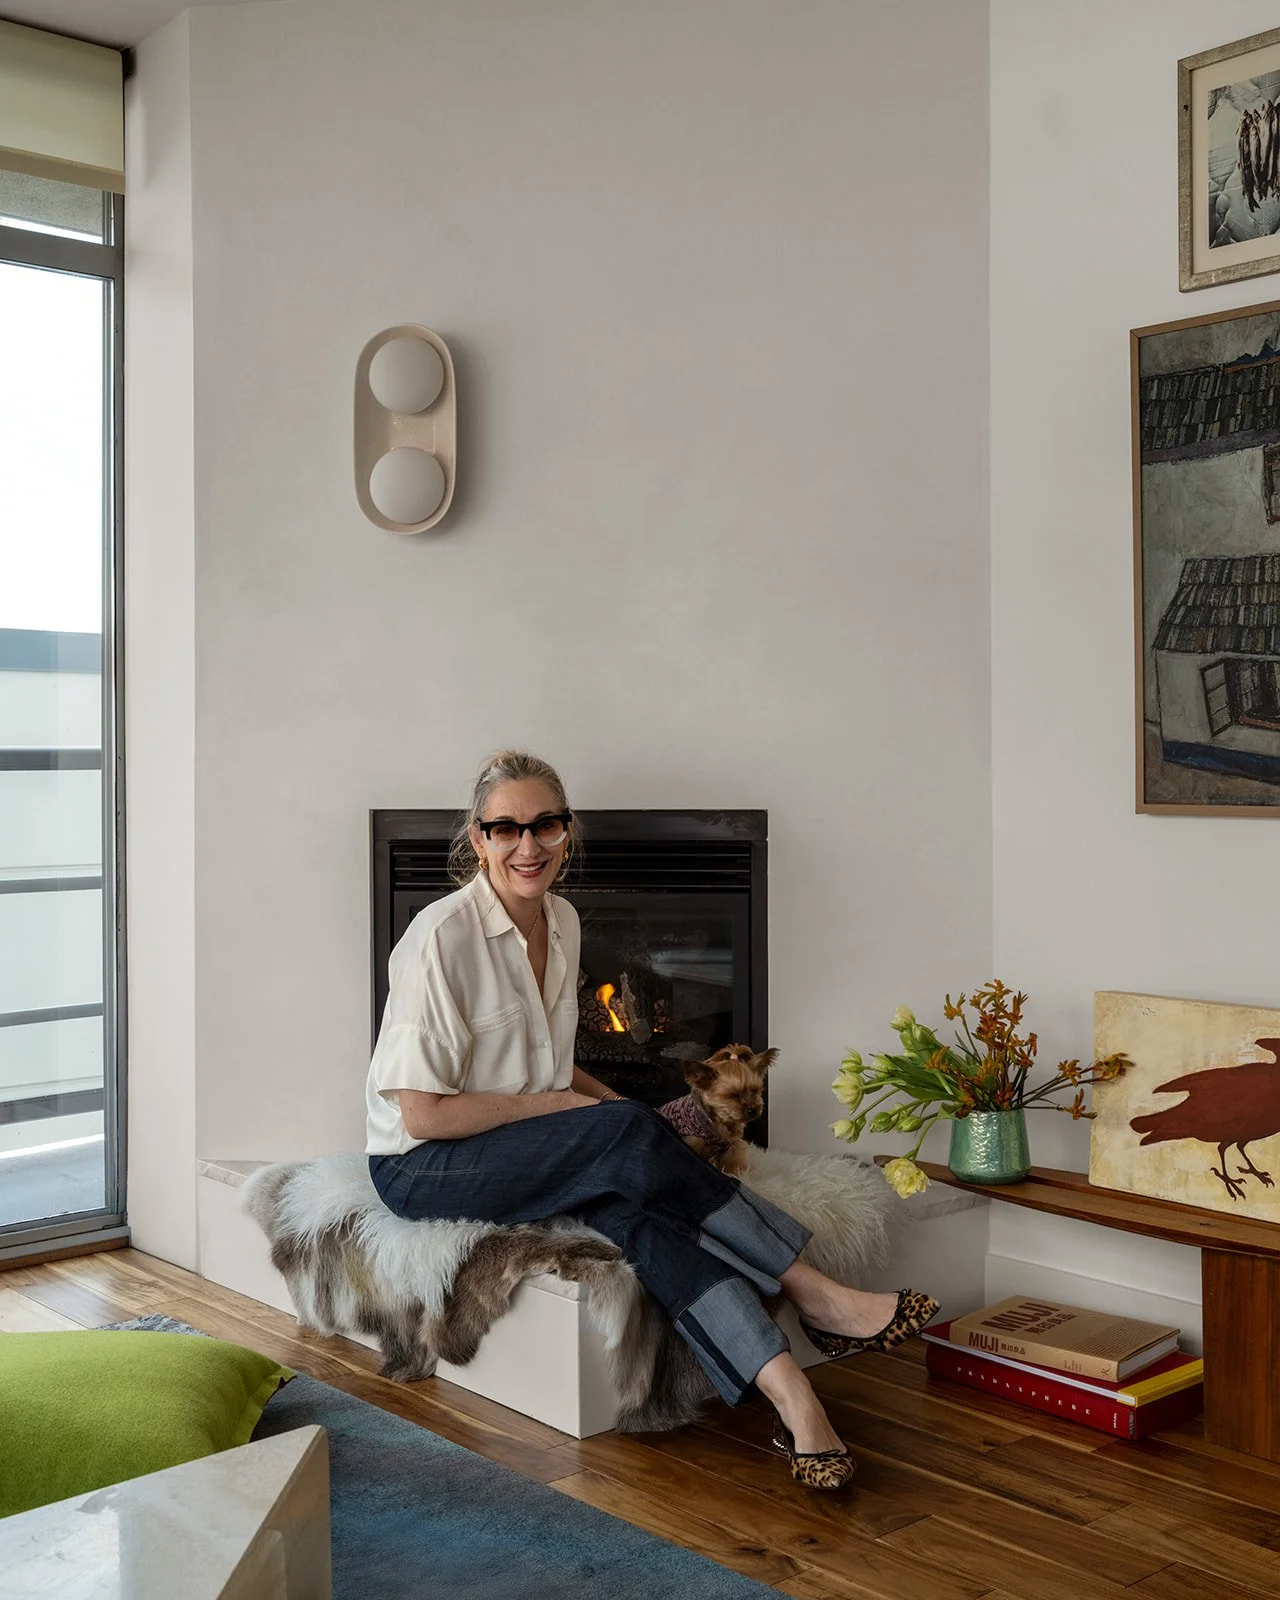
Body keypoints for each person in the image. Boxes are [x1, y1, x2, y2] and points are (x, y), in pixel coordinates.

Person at [366, 750, 937, 1491]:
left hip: (524, 1146)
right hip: (424, 1166)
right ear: (477, 839)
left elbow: (546, 1060)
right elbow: (424, 1113)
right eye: (505, 829)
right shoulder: (440, 941)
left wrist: (622, 1117)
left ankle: (795, 1400)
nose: (527, 846)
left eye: (545, 825)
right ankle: (813, 1289)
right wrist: (588, 1117)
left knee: (645, 1213)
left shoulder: (563, 922)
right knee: (632, 1142)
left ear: (567, 832)